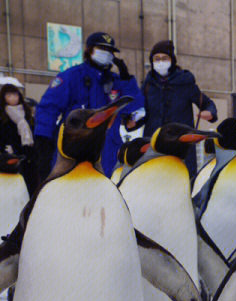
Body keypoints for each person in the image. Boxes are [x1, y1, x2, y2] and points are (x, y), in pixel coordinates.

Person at [31, 30, 145, 186]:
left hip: (107, 150)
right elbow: (48, 107)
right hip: (74, 147)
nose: (106, 54)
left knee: (105, 193)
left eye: (110, 51)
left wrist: (127, 79)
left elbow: (135, 107)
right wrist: (43, 139)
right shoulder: (71, 76)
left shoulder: (117, 81)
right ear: (89, 50)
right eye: (101, 49)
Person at [140, 39, 218, 176]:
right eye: (156, 59)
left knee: (181, 182)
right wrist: (131, 121)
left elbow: (207, 103)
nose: (160, 62)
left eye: (164, 58)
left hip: (182, 146)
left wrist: (209, 112)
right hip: (154, 145)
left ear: (172, 60)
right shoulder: (147, 86)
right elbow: (141, 113)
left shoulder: (185, 83)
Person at [0, 75, 35, 193]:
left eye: (15, 95)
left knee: (30, 187)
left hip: (29, 157)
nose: (13, 98)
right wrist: (5, 151)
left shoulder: (27, 114)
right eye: (9, 95)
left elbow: (33, 133)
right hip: (10, 158)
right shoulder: (2, 116)